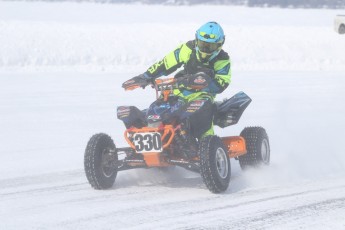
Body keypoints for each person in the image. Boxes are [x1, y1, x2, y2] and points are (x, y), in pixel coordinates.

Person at [123, 21, 231, 139]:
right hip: (177, 90)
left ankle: (209, 144)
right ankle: (145, 138)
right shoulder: (187, 48)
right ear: (196, 40)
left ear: (220, 45)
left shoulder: (223, 60)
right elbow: (165, 63)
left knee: (203, 119)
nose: (205, 49)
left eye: (210, 46)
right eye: (202, 44)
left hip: (203, 95)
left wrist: (206, 82)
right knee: (156, 109)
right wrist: (145, 76)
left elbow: (222, 83)